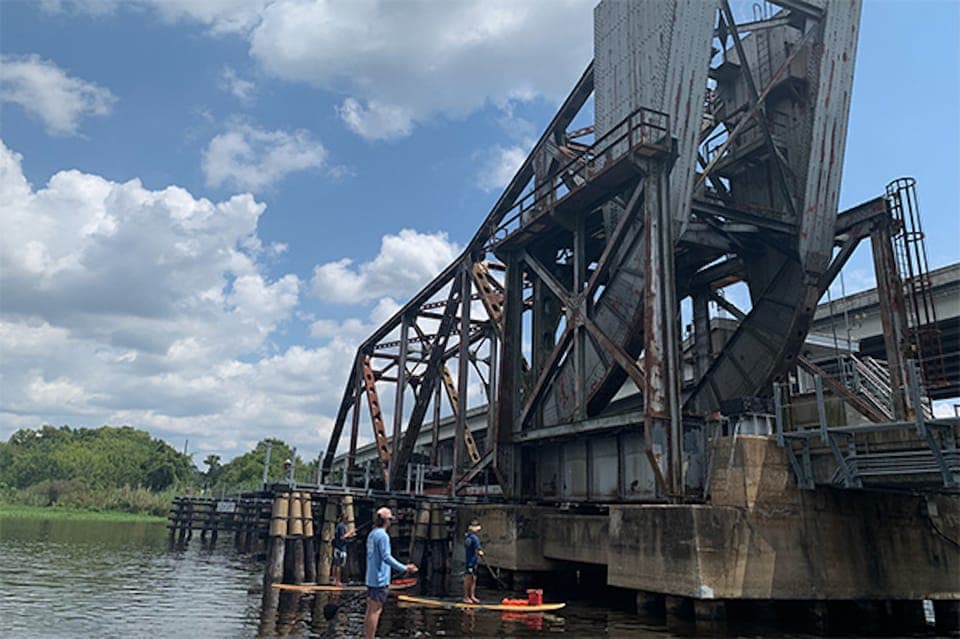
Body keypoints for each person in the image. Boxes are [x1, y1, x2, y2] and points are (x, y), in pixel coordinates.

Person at [364, 507, 417, 639]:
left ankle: (367, 636)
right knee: (376, 610)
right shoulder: (383, 536)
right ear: (386, 521)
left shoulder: (372, 534)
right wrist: (405, 568)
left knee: (370, 609)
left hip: (370, 578)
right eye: (390, 519)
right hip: (380, 579)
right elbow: (386, 557)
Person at [331, 512, 355, 586]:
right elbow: (342, 537)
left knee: (335, 564)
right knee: (339, 565)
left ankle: (334, 580)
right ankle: (338, 581)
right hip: (340, 548)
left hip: (337, 547)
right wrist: (350, 533)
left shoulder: (339, 526)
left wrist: (349, 535)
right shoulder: (341, 526)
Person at [463, 520, 484, 604]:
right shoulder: (474, 538)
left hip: (472, 561)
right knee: (469, 578)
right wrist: (480, 553)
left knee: (473, 578)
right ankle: (466, 596)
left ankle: (471, 596)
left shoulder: (468, 537)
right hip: (471, 562)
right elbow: (478, 549)